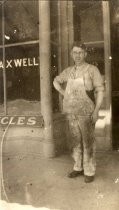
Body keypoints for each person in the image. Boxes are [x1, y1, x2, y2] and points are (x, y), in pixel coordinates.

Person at [53, 41, 104, 183]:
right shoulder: (68, 71)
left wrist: (96, 111)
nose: (78, 55)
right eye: (75, 52)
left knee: (88, 142)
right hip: (71, 112)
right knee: (75, 141)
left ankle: (89, 171)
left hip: (87, 112)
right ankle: (78, 167)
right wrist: (64, 92)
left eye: (80, 52)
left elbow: (100, 91)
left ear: (85, 54)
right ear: (71, 54)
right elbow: (56, 81)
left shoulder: (92, 70)